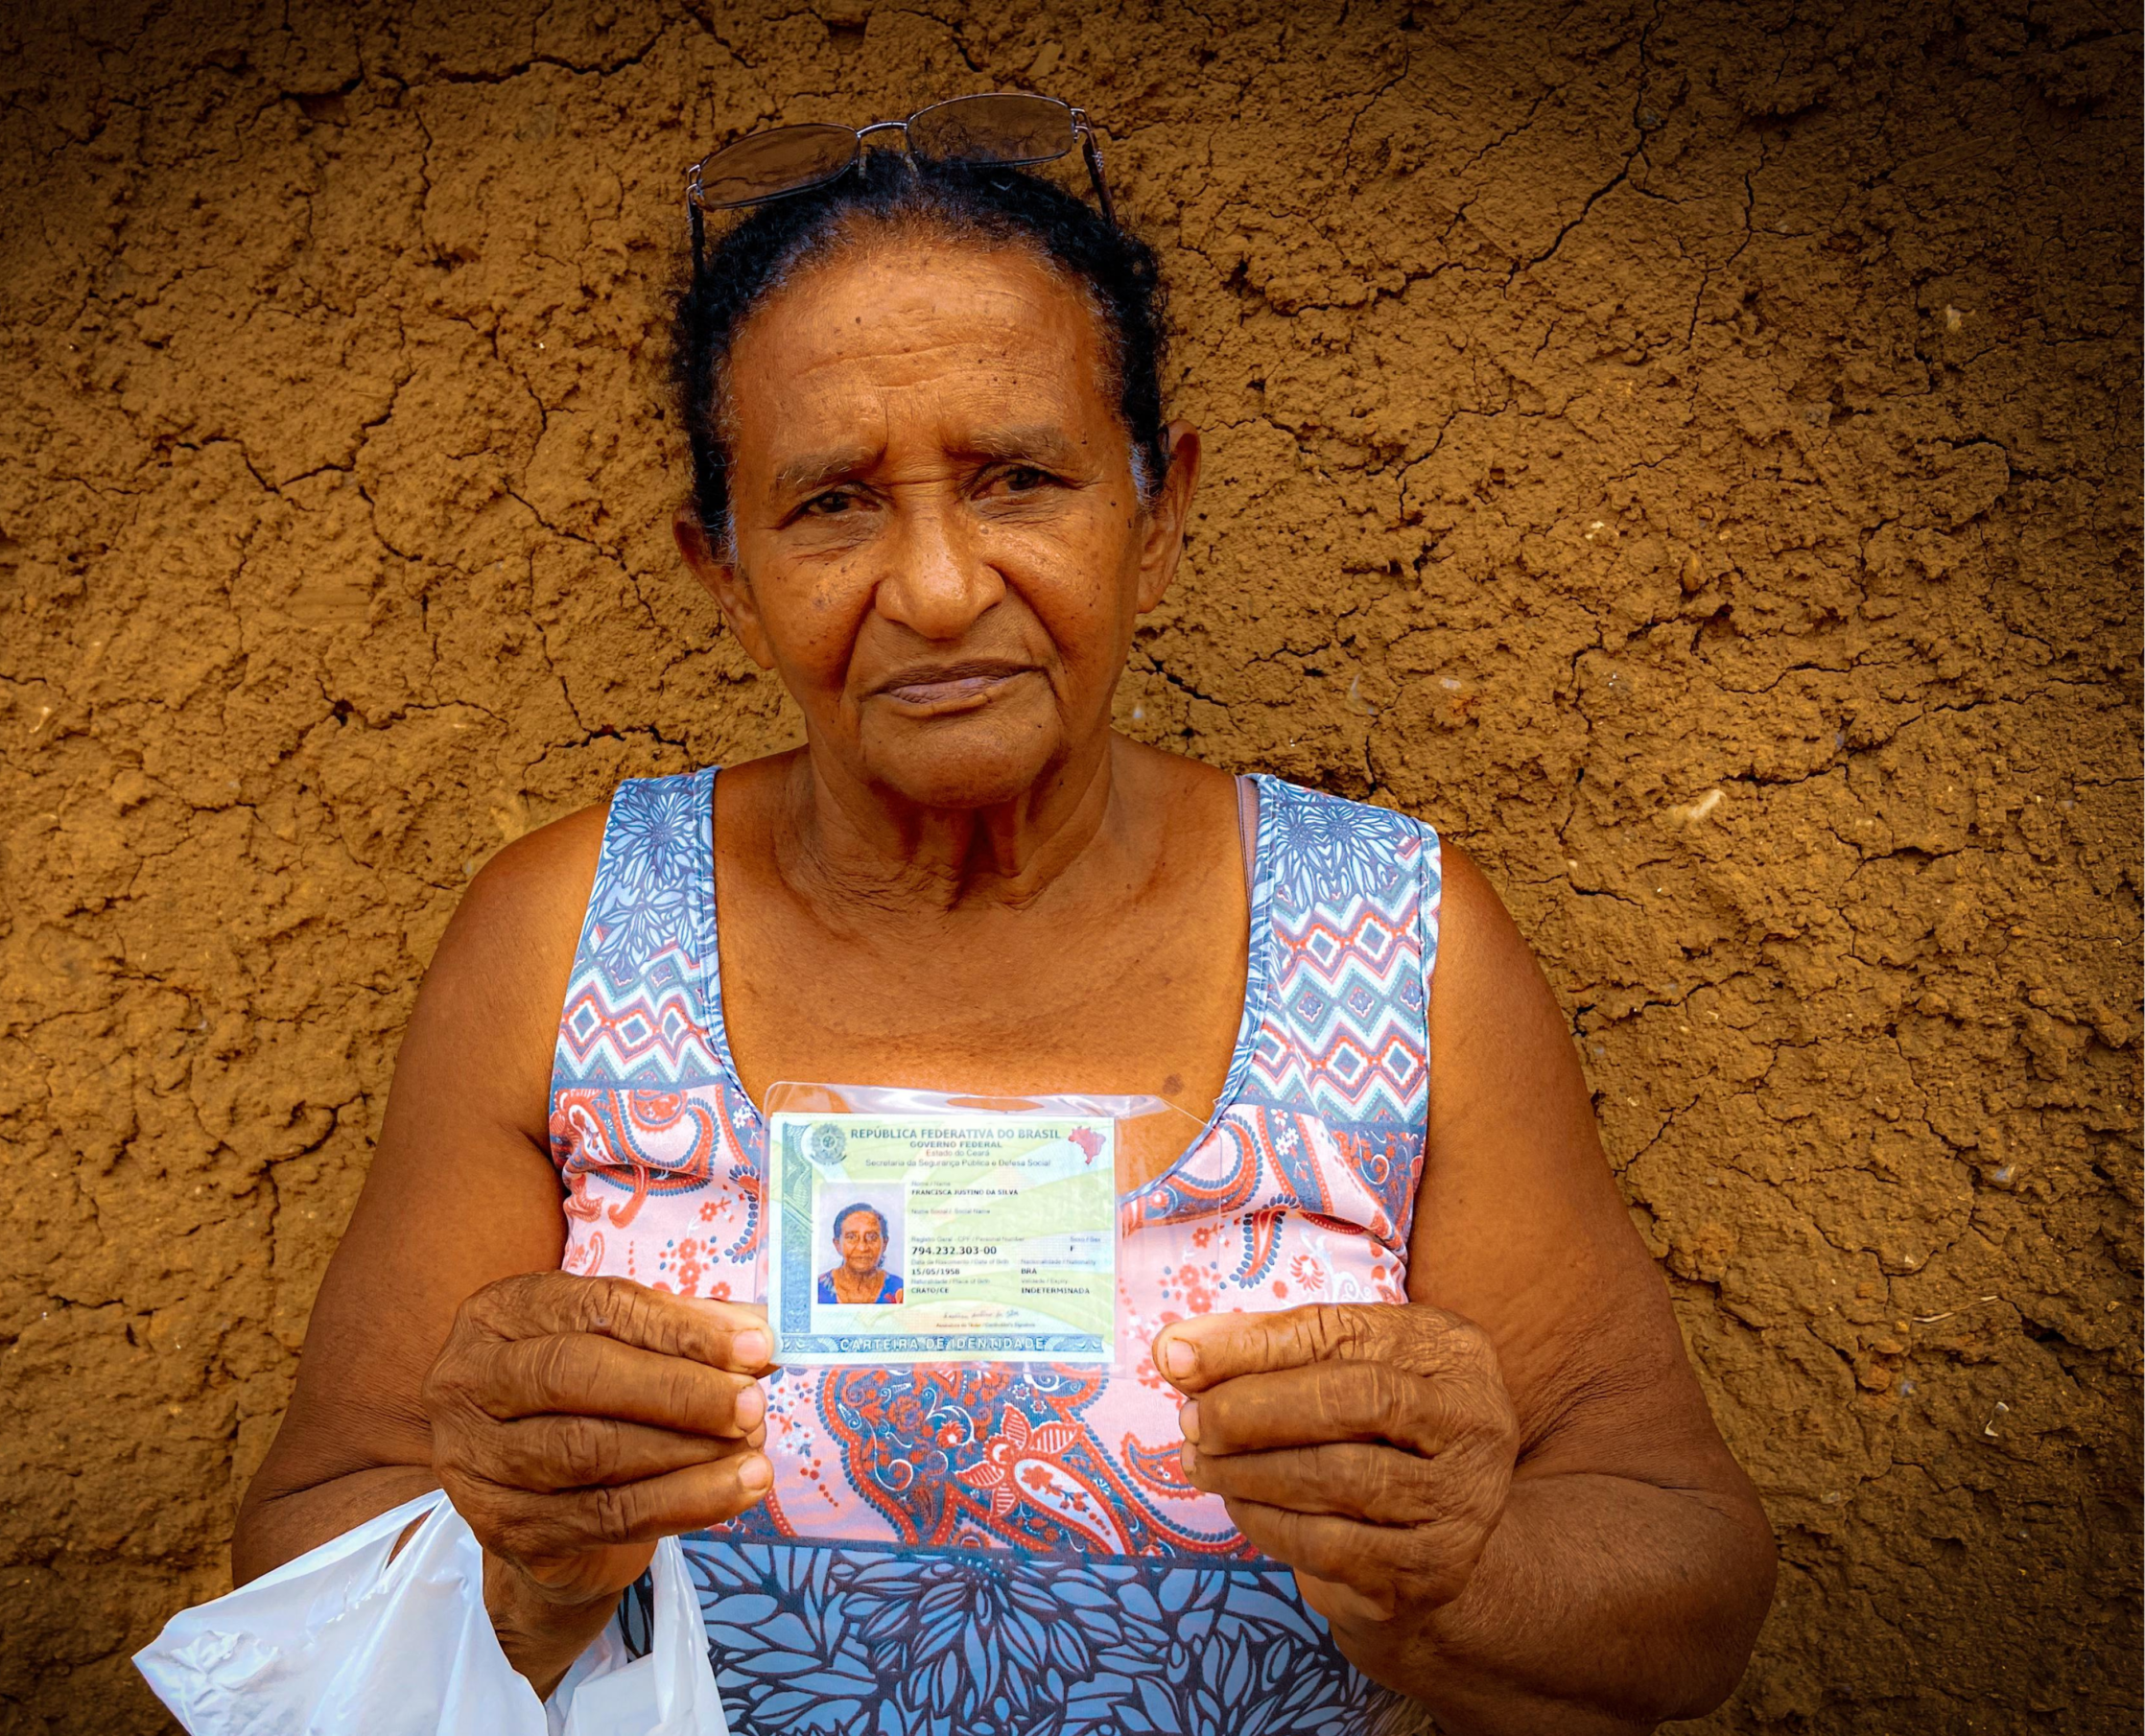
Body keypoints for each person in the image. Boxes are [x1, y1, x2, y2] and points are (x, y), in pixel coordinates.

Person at [232, 97, 1776, 1736]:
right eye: (831, 503)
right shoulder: (562, 932)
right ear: (724, 569)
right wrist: (519, 1560)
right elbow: (303, 1548)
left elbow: (1686, 1581)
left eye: (1021, 479)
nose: (942, 585)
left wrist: (1458, 1575)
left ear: (1156, 513)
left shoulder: (1400, 944)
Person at [816, 1204, 904, 1304]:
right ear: (837, 1245)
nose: (862, 1248)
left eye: (872, 1237)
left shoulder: (901, 1291)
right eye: (852, 1237)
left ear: (884, 1244)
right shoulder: (817, 1291)